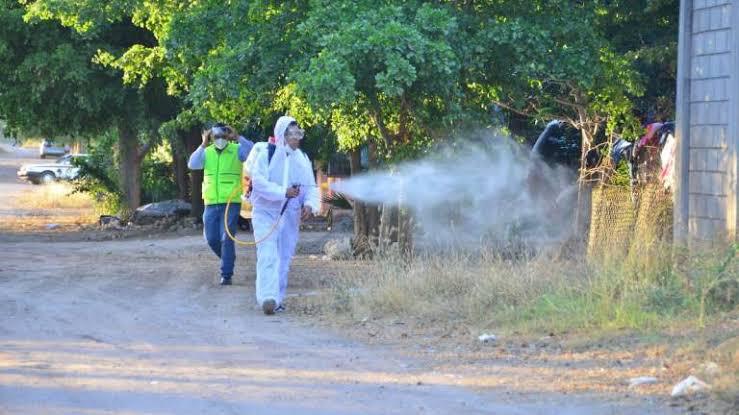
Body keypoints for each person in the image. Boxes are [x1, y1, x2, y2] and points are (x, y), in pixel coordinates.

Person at [244, 115, 319, 314]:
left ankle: (277, 299)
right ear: (282, 135)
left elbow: (311, 186)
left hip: (290, 215)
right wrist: (282, 192)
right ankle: (267, 297)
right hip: (265, 212)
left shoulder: (302, 158)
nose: (297, 138)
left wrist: (310, 205)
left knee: (284, 257)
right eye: (293, 134)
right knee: (268, 254)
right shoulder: (266, 154)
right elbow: (259, 182)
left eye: (299, 133)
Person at [188, 123, 254, 285]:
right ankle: (228, 258)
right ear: (211, 137)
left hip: (230, 203)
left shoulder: (236, 150)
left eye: (223, 136)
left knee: (226, 238)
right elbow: (192, 164)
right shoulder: (206, 152)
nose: (220, 140)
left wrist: (238, 137)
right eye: (216, 136)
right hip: (210, 202)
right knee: (211, 239)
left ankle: (226, 274)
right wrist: (203, 144)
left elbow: (253, 152)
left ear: (228, 136)